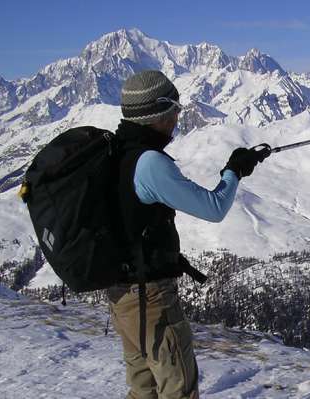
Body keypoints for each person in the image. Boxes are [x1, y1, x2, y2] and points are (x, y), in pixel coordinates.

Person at [106, 70, 267, 399]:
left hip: (120, 295)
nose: (179, 115)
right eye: (175, 108)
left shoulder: (115, 151)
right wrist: (234, 170)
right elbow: (213, 208)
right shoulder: (148, 162)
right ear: (157, 113)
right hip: (151, 298)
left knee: (142, 390)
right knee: (177, 388)